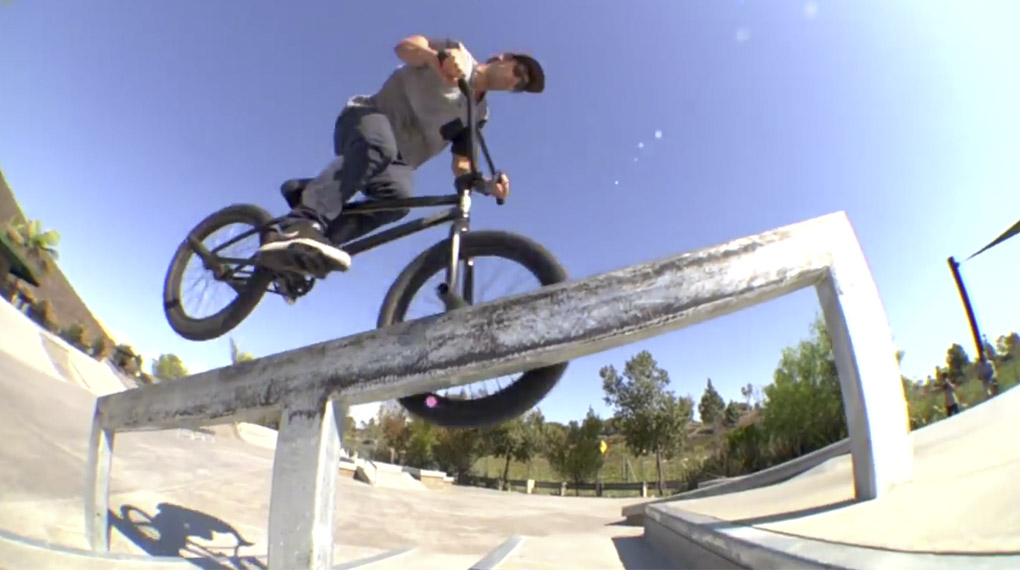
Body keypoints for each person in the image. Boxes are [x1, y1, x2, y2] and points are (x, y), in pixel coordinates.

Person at [257, 35, 545, 278]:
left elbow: (461, 164)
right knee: (380, 146)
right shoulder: (457, 52)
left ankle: (312, 248)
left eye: (520, 86)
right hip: (368, 118)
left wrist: (484, 183)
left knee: (398, 202)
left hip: (396, 161)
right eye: (518, 72)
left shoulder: (478, 115)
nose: (515, 82)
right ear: (501, 57)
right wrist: (436, 58)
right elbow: (406, 47)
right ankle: (303, 222)